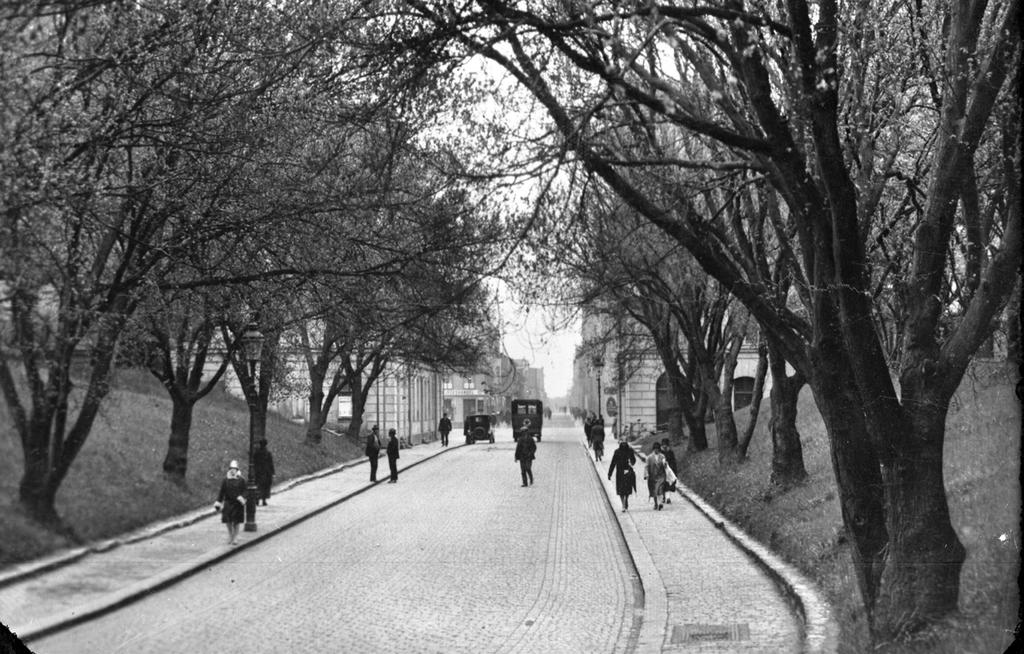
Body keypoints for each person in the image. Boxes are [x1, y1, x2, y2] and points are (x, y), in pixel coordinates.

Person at [214, 460, 247, 545]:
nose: (233, 471)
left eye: (234, 469)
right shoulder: (226, 480)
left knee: (236, 521)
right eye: (231, 469)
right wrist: (218, 501)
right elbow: (222, 492)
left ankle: (235, 537)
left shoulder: (241, 480)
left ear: (237, 470)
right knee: (228, 520)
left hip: (237, 504)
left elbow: (246, 491)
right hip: (228, 502)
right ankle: (230, 535)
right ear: (229, 470)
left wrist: (242, 497)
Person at [607, 438, 637, 511]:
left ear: (626, 443)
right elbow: (613, 463)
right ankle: (623, 505)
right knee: (620, 489)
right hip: (620, 473)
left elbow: (634, 460)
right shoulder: (617, 452)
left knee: (627, 489)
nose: (623, 444)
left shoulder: (630, 451)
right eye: (622, 443)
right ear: (620, 443)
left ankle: (626, 499)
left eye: (625, 443)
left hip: (628, 471)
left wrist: (631, 462)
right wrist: (609, 473)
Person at [645, 442, 668, 510]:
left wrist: (665, 464)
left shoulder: (662, 456)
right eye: (655, 449)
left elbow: (665, 465)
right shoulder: (649, 457)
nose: (656, 450)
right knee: (654, 490)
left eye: (658, 449)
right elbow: (646, 466)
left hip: (661, 475)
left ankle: (660, 503)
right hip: (652, 476)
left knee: (660, 489)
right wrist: (646, 474)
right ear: (653, 449)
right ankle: (656, 503)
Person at [253, 438, 275, 506]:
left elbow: (254, 461)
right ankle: (263, 500)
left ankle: (257, 499)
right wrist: (273, 472)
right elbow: (271, 463)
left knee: (258, 485)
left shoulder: (257, 452)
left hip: (258, 471)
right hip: (266, 471)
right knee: (265, 486)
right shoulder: (268, 453)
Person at [661, 438, 678, 504]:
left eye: (666, 445)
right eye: (663, 445)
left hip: (669, 470)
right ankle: (663, 497)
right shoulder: (660, 452)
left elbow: (673, 462)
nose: (664, 446)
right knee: (662, 484)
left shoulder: (670, 452)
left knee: (668, 483)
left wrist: (673, 470)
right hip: (661, 471)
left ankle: (668, 498)